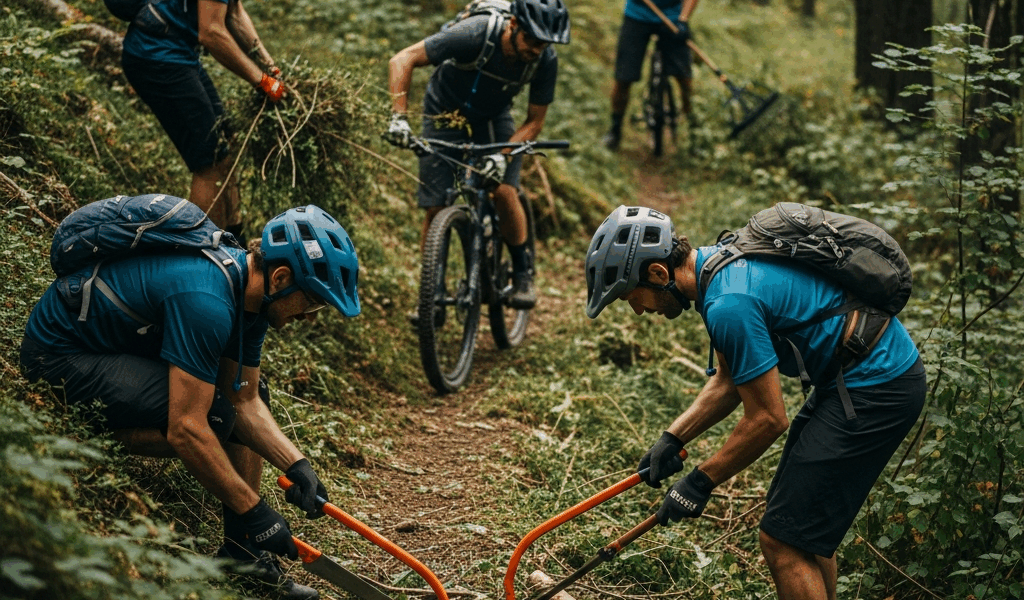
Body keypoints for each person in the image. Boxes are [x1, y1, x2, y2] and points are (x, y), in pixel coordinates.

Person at [20, 203, 362, 600]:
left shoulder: (250, 302)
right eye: (313, 302)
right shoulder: (207, 299)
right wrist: (255, 511)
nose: (310, 317)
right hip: (61, 356)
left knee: (235, 403)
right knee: (212, 422)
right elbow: (188, 428)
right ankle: (85, 435)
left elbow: (246, 398)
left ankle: (242, 556)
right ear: (281, 277)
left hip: (116, 351)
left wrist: (296, 463)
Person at [584, 206, 926, 600]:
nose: (639, 309)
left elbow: (767, 419)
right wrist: (672, 437)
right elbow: (729, 381)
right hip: (854, 381)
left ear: (659, 274)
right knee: (799, 530)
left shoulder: (729, 303)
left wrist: (700, 481)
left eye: (633, 297)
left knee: (783, 540)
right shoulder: (720, 267)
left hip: (877, 389)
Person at [384, 0, 571, 310]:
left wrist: (503, 155)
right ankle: (430, 292)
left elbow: (534, 122)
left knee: (503, 190)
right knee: (436, 205)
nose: (539, 49)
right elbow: (402, 59)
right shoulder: (473, 33)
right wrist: (398, 118)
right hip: (444, 112)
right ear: (513, 25)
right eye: (533, 40)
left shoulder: (544, 61)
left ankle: (523, 273)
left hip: (493, 118)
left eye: (546, 43)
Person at [120, 0, 287, 235]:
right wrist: (262, 82)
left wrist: (271, 69)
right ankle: (202, 249)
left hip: (179, 52)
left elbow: (235, 13)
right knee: (210, 160)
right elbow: (211, 33)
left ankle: (234, 237)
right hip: (157, 57)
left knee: (226, 142)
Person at [601, 0, 700, 151]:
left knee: (684, 78)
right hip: (637, 16)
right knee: (623, 78)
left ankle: (694, 129)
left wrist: (683, 20)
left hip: (673, 18)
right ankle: (615, 129)